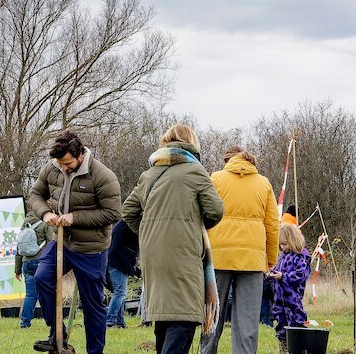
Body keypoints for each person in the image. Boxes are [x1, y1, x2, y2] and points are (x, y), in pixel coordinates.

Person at [122, 124, 225, 354]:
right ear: (192, 144)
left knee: (165, 317)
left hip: (152, 253)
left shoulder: (149, 174)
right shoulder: (194, 170)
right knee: (184, 317)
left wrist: (152, 231)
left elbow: (128, 211)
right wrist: (192, 228)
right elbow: (216, 210)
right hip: (183, 251)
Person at [29, 131, 122, 354]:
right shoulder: (51, 168)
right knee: (41, 277)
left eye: (68, 163)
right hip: (61, 242)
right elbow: (35, 195)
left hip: (91, 249)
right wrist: (44, 215)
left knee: (92, 305)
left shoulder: (102, 175)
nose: (64, 168)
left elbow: (112, 213)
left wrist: (74, 218)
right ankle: (57, 335)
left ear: (80, 154)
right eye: (60, 163)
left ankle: (95, 351)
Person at [200, 146, 279, 354]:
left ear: (227, 161)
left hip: (219, 256)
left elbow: (204, 215)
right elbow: (272, 225)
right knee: (248, 321)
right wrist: (271, 259)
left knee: (212, 315)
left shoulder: (215, 178)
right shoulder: (264, 183)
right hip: (252, 260)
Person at [269, 223, 310, 345]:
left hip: (293, 298)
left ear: (293, 240)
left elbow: (300, 275)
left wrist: (283, 276)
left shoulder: (301, 257)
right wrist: (269, 275)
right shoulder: (282, 257)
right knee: (281, 320)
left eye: (285, 244)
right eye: (280, 245)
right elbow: (276, 270)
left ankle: (299, 345)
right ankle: (283, 345)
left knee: (296, 319)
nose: (282, 247)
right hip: (279, 298)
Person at [15, 219, 54, 329]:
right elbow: (52, 243)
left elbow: (18, 249)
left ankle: (25, 323)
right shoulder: (46, 222)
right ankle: (52, 322)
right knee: (47, 293)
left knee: (30, 295)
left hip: (26, 262)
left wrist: (17, 270)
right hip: (42, 262)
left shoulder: (24, 225)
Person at [105, 219, 139, 329]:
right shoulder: (131, 224)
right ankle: (110, 320)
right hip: (118, 262)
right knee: (120, 292)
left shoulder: (124, 224)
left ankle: (119, 322)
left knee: (119, 291)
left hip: (114, 260)